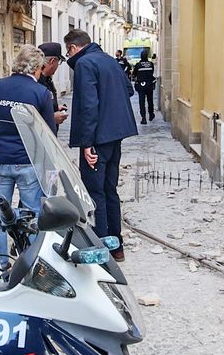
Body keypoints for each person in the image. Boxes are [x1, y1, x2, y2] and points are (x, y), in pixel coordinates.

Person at [0, 45, 62, 257]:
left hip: (0, 160)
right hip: (27, 162)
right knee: (30, 213)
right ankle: (30, 263)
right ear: (37, 69)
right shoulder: (41, 93)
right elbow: (48, 134)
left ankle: (0, 263)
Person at [64, 28, 138, 260]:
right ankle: (117, 246)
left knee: (95, 193)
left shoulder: (85, 64)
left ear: (73, 48)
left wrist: (86, 144)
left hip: (96, 138)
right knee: (109, 189)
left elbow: (88, 106)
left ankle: (101, 247)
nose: (69, 57)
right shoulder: (109, 61)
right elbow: (128, 89)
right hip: (115, 136)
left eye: (68, 52)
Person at [36, 42, 69, 133]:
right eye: (59, 62)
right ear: (52, 61)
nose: (58, 65)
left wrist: (54, 107)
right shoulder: (36, 81)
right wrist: (52, 118)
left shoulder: (47, 79)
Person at [132, 51, 157, 124]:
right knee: (150, 100)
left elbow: (134, 74)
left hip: (141, 85)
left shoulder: (138, 65)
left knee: (142, 102)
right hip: (149, 84)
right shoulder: (150, 64)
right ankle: (151, 114)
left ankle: (143, 118)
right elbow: (152, 72)